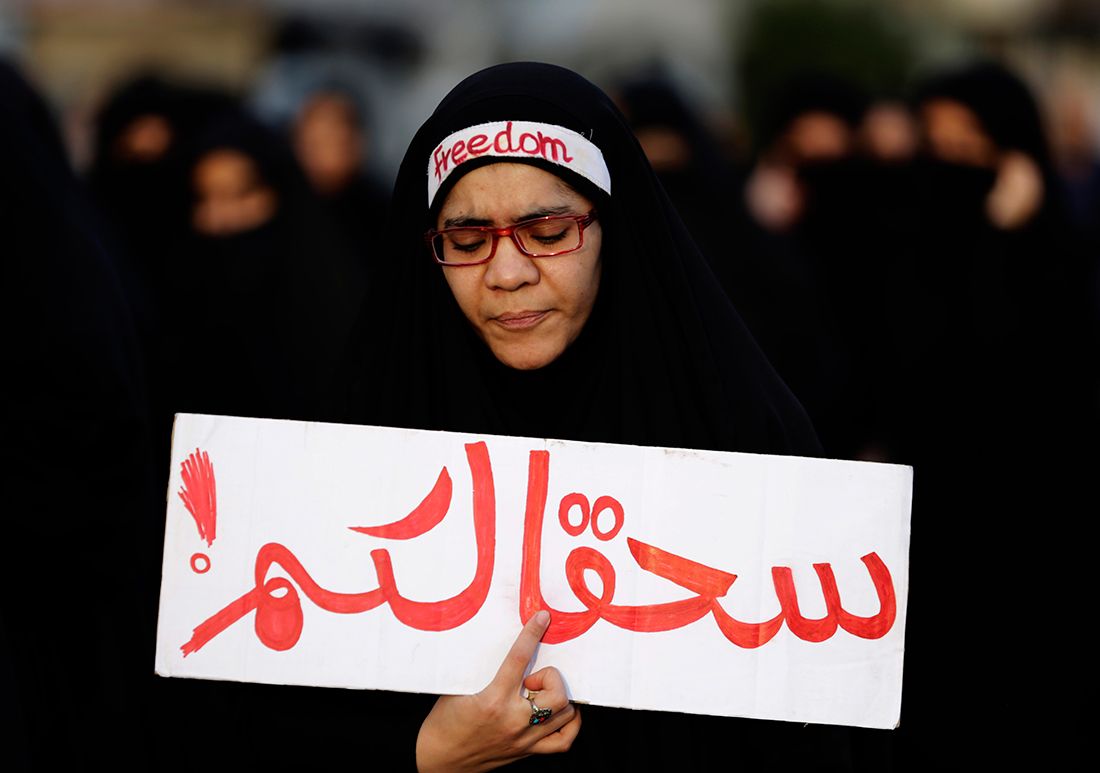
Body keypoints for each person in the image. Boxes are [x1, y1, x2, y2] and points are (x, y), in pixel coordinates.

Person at [337, 62, 868, 771]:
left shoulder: (744, 433)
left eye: (548, 231)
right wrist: (429, 753)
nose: (507, 273)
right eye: (466, 242)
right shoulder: (360, 439)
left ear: (611, 228)